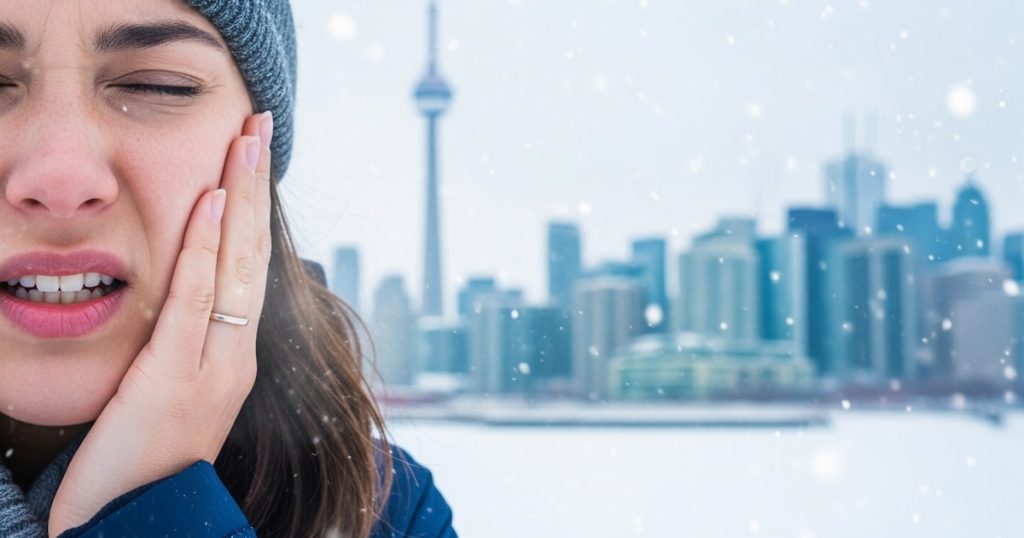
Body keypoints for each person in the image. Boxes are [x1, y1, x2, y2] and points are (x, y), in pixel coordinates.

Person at [0, 1, 456, 536]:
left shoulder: (388, 513)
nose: (61, 181)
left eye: (158, 85)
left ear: (257, 154)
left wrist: (158, 508)